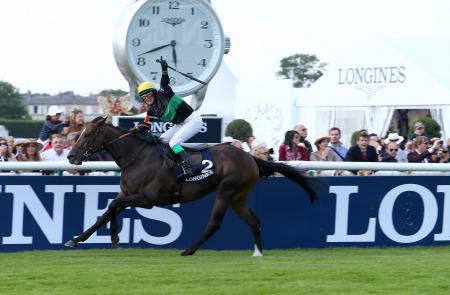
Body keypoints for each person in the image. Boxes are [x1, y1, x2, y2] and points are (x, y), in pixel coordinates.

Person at [132, 57, 204, 178]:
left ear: (154, 93)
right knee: (162, 140)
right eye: (144, 97)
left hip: (193, 120)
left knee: (174, 142)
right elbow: (146, 125)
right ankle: (176, 163)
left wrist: (164, 70)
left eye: (148, 95)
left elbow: (164, 82)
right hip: (180, 124)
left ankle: (187, 166)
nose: (147, 98)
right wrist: (136, 130)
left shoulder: (164, 93)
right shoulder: (150, 110)